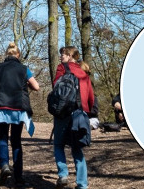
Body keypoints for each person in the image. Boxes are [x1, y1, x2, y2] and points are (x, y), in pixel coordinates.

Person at [0, 42, 40, 187]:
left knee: (2, 138)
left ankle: (4, 165)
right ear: (18, 55)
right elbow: (36, 86)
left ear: (7, 54)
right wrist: (27, 84)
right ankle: (18, 176)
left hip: (2, 107)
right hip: (18, 108)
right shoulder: (24, 69)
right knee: (16, 141)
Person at [52, 46, 95, 189]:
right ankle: (82, 184)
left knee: (58, 144)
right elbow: (90, 96)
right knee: (76, 148)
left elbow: (56, 87)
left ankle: (63, 175)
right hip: (80, 113)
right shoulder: (83, 72)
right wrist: (89, 114)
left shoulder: (61, 68)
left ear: (70, 55)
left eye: (63, 54)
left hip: (63, 113)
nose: (61, 57)